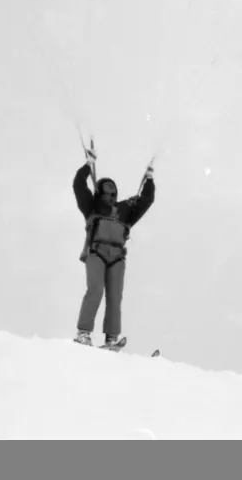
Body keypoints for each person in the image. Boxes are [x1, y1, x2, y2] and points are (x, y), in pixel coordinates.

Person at [72, 143, 155, 349]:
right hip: (96, 253)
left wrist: (150, 180)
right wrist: (87, 165)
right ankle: (83, 332)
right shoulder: (91, 206)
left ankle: (111, 337)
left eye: (113, 192)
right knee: (96, 289)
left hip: (117, 258)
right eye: (106, 192)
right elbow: (78, 185)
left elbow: (147, 199)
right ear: (99, 192)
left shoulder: (126, 210)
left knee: (115, 297)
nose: (110, 196)